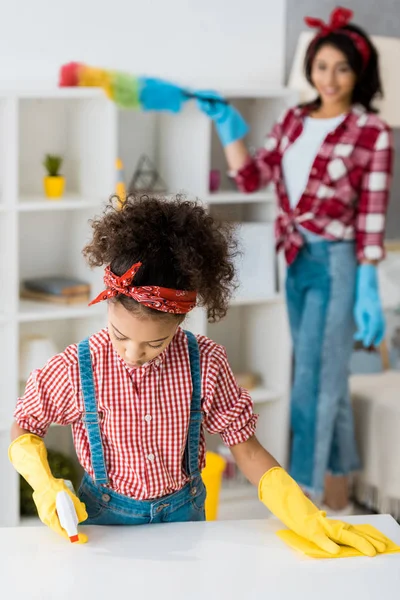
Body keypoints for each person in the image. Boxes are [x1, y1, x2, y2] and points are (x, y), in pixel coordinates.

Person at [8, 194, 388, 555]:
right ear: (109, 302)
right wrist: (43, 483)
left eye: (155, 344)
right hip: (104, 527)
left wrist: (302, 513)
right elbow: (24, 423)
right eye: (120, 335)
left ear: (180, 321)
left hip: (184, 520)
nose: (133, 354)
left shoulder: (205, 363)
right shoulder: (78, 367)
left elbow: (248, 449)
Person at [197, 6, 393, 512]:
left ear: (359, 74)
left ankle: (300, 491)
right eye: (322, 65)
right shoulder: (292, 120)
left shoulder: (371, 131)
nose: (330, 78)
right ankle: (341, 496)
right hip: (296, 257)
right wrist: (229, 129)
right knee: (327, 376)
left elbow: (372, 214)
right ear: (311, 68)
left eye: (343, 68)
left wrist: (369, 281)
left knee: (311, 378)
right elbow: (251, 178)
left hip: (338, 262)